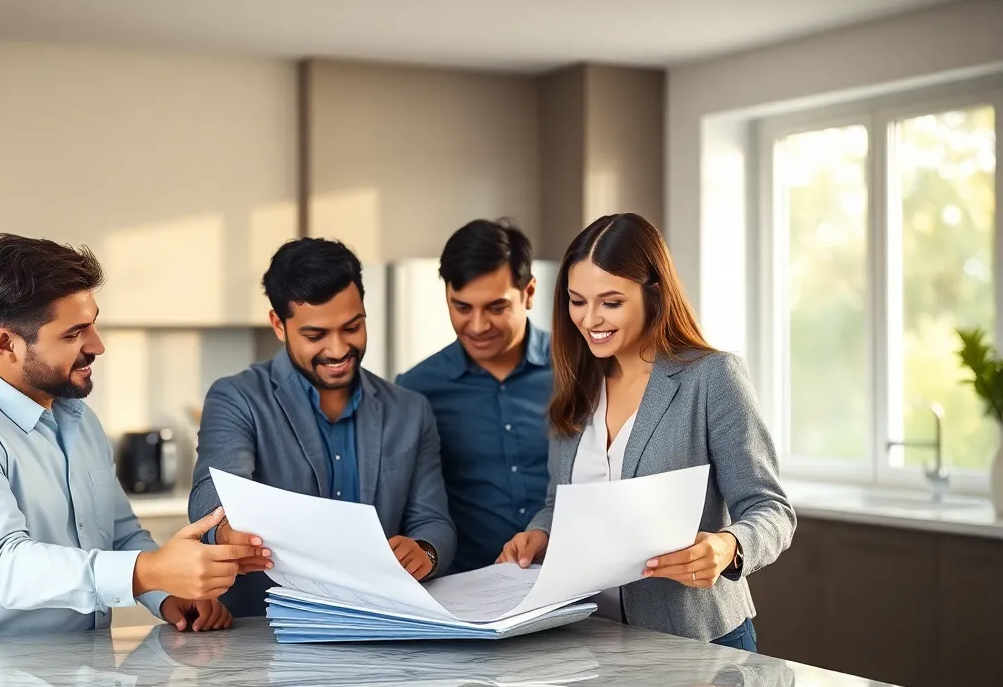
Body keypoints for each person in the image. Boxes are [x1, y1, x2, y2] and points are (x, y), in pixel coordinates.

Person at [0, 233, 268, 641]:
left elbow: (119, 532)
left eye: (93, 324)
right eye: (74, 333)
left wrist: (164, 593)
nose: (98, 345)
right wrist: (150, 571)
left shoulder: (77, 418)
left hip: (79, 677)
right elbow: (8, 568)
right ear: (7, 344)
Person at [497, 213, 796, 651]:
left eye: (611, 302)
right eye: (577, 301)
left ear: (653, 294)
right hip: (588, 642)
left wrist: (729, 546)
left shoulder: (711, 378)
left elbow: (771, 509)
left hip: (697, 639)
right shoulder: (576, 386)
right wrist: (541, 534)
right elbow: (558, 502)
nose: (589, 318)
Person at [189, 237, 456, 617]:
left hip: (381, 627)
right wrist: (227, 530)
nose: (337, 349)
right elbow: (210, 493)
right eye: (315, 335)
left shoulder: (410, 410)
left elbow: (434, 521)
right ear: (278, 326)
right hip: (265, 634)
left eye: (352, 327)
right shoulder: (237, 397)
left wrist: (425, 551)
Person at [396, 219, 553, 574]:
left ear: (528, 293)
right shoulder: (416, 389)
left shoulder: (580, 373)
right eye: (462, 307)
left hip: (575, 585)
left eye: (496, 308)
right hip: (465, 590)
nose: (478, 325)